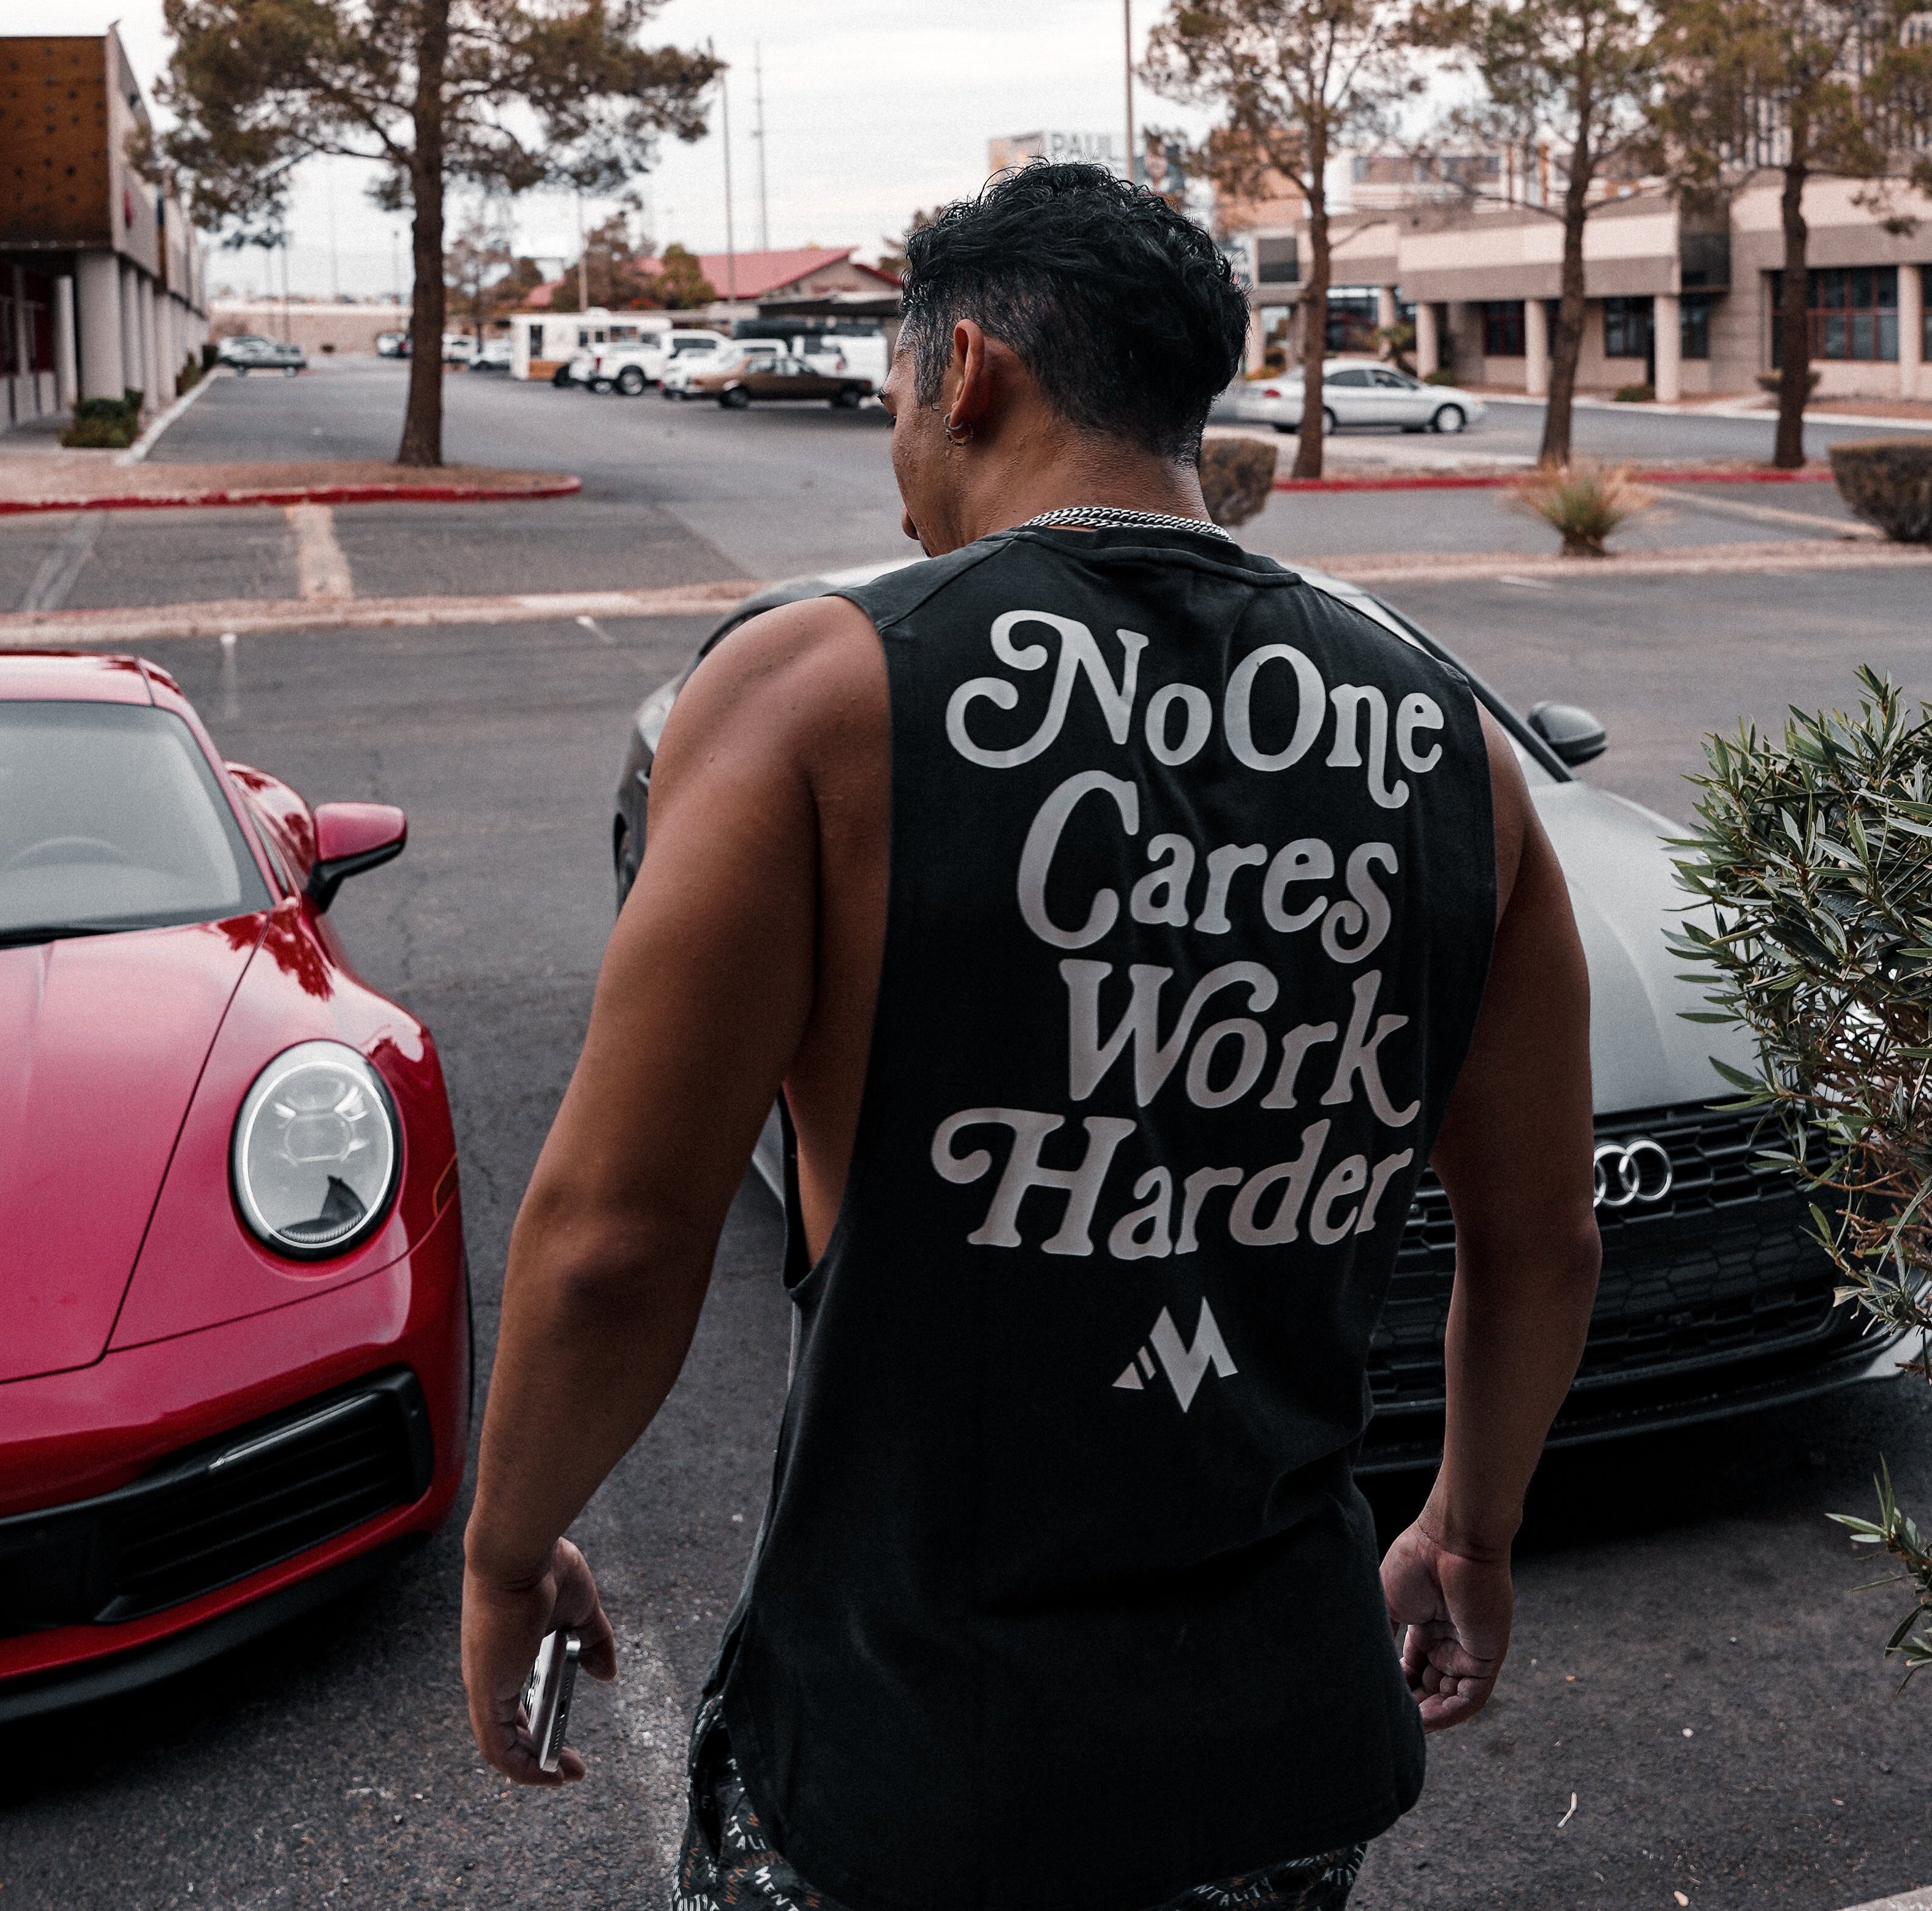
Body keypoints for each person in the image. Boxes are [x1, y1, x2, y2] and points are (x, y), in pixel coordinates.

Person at [461, 161, 1601, 1911]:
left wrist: (507, 1548)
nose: (896, 447)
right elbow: (1541, 1242)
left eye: (896, 392)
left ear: (967, 368)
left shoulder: (813, 697)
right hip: (1279, 1748)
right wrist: (1472, 1526)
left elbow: (617, 1236)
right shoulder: (1456, 745)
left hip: (906, 1752)